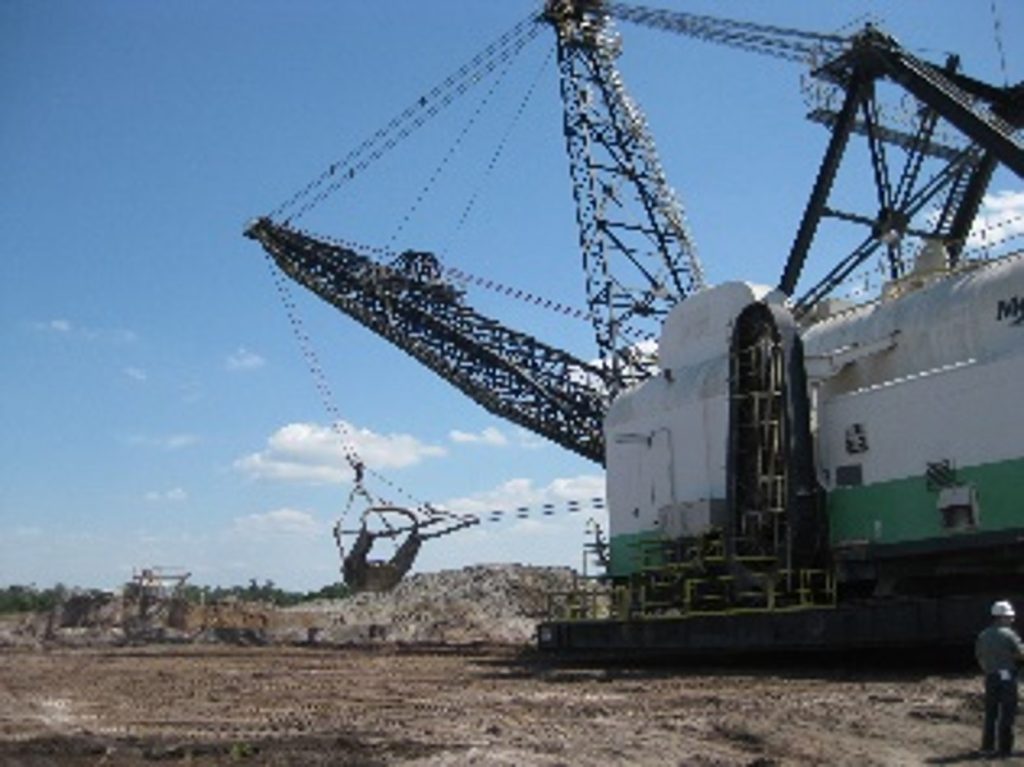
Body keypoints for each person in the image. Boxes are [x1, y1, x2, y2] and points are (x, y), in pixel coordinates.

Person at [976, 600, 1024, 758]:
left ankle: (987, 746)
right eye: (1009, 617)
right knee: (1007, 713)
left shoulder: (983, 635)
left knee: (991, 713)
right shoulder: (1008, 634)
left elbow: (980, 656)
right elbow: (1021, 654)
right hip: (1007, 677)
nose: (1011, 620)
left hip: (990, 676)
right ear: (1001, 617)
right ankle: (1004, 749)